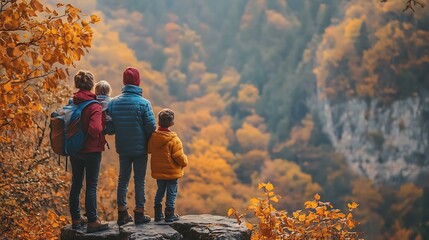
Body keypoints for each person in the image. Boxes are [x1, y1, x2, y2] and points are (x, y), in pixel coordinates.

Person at [107, 67, 156, 225]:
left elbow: (110, 129)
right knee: (139, 180)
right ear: (138, 82)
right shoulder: (144, 103)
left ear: (124, 82)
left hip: (123, 148)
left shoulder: (113, 103)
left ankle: (122, 213)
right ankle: (139, 213)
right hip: (140, 149)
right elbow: (151, 127)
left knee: (123, 179)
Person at [69, 70, 109, 233]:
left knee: (76, 183)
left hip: (74, 149)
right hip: (91, 151)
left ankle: (76, 219)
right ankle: (93, 221)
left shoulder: (72, 101)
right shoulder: (94, 105)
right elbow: (95, 129)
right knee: (91, 185)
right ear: (92, 85)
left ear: (77, 84)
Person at [148, 108, 188, 222]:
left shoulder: (153, 137)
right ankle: (169, 214)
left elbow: (150, 150)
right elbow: (179, 157)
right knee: (171, 192)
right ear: (172, 123)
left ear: (158, 122)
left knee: (160, 191)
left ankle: (157, 214)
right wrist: (185, 161)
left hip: (159, 171)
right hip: (171, 172)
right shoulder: (174, 140)